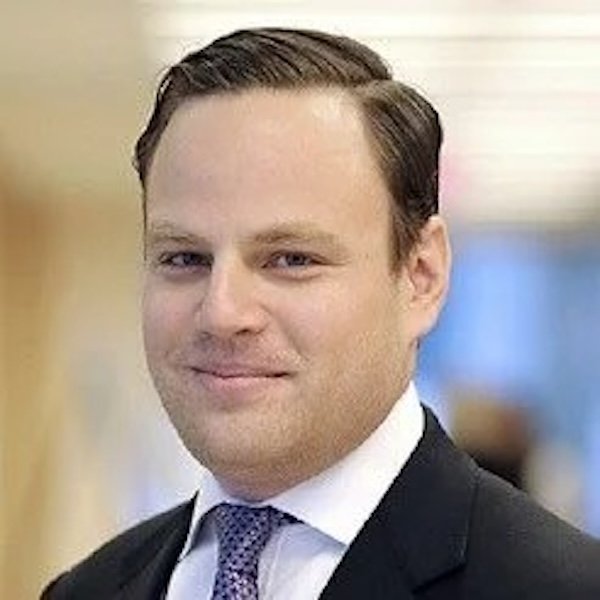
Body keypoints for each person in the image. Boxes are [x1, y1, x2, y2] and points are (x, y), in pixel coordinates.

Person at [42, 27, 600, 599]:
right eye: (184, 257)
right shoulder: (84, 592)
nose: (222, 312)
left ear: (421, 276)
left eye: (291, 259)